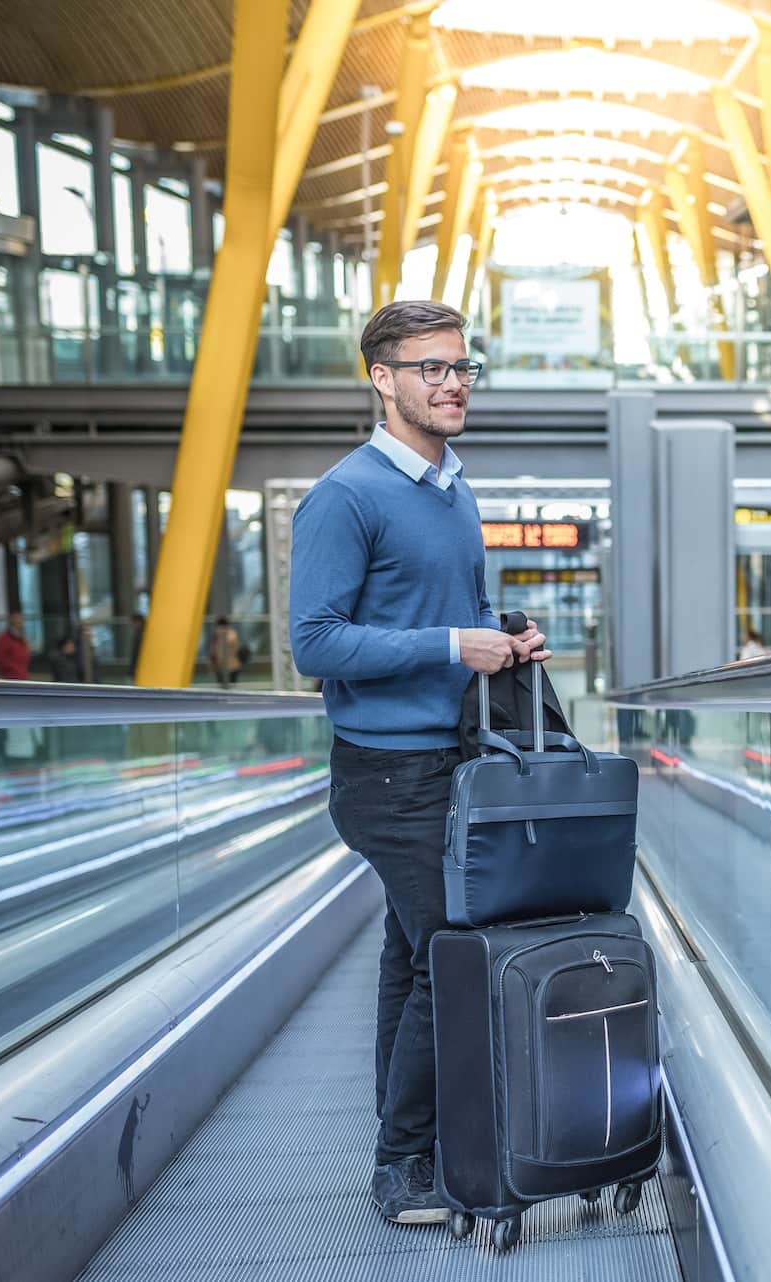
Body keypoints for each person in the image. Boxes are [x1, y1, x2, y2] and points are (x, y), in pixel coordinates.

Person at [289, 298, 548, 1227]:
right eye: (431, 369)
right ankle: (403, 1168)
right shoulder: (347, 496)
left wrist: (504, 638)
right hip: (389, 777)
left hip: (454, 762)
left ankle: (410, 1154)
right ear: (382, 378)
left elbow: (451, 612)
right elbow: (315, 644)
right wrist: (451, 645)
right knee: (450, 959)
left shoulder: (452, 487)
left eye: (462, 367)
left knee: (418, 959)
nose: (452, 384)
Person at [0, 610, 30, 680]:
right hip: (10, 677)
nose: (21, 622)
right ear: (12, 622)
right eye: (18, 620)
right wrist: (16, 669)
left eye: (21, 620)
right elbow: (2, 659)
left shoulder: (22, 638)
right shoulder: (4, 639)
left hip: (23, 676)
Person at [208, 615, 242, 688]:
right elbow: (213, 652)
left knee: (231, 687)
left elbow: (233, 644)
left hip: (232, 667)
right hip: (220, 667)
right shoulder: (216, 637)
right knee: (221, 688)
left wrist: (221, 634)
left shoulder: (231, 634)